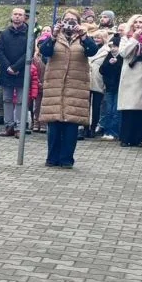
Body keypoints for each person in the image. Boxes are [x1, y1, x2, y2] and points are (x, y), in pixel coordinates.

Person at [37, 10, 98, 167]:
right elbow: (45, 52)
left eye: (73, 20)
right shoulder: (55, 36)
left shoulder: (83, 38)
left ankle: (67, 159)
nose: (69, 23)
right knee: (54, 124)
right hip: (56, 86)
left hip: (76, 86)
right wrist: (53, 35)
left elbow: (92, 51)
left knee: (71, 125)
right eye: (67, 20)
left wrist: (84, 36)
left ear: (78, 22)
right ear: (61, 21)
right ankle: (52, 158)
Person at [117, 14, 142, 147]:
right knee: (128, 108)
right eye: (136, 22)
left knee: (140, 109)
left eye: (141, 22)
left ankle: (138, 138)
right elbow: (123, 53)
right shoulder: (125, 38)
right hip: (129, 76)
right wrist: (134, 39)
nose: (138, 25)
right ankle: (125, 137)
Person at [0, 7, 29, 136]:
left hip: (21, 71)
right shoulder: (5, 33)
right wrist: (8, 66)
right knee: (6, 99)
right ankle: (9, 126)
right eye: (15, 14)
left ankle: (19, 127)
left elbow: (28, 53)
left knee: (20, 101)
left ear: (24, 17)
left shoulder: (29, 33)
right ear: (11, 16)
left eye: (20, 14)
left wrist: (16, 67)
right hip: (6, 71)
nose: (17, 16)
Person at [98, 33, 123, 140]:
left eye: (115, 47)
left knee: (115, 111)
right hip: (109, 88)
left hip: (118, 88)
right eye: (111, 47)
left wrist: (117, 63)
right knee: (108, 110)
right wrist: (109, 63)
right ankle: (107, 131)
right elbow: (102, 70)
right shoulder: (108, 56)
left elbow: (123, 72)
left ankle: (114, 132)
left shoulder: (122, 57)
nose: (113, 49)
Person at [87, 29, 108, 138]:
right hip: (87, 79)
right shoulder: (88, 48)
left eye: (99, 38)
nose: (96, 40)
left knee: (96, 107)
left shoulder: (107, 51)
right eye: (95, 37)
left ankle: (93, 128)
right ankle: (85, 127)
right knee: (86, 106)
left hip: (99, 80)